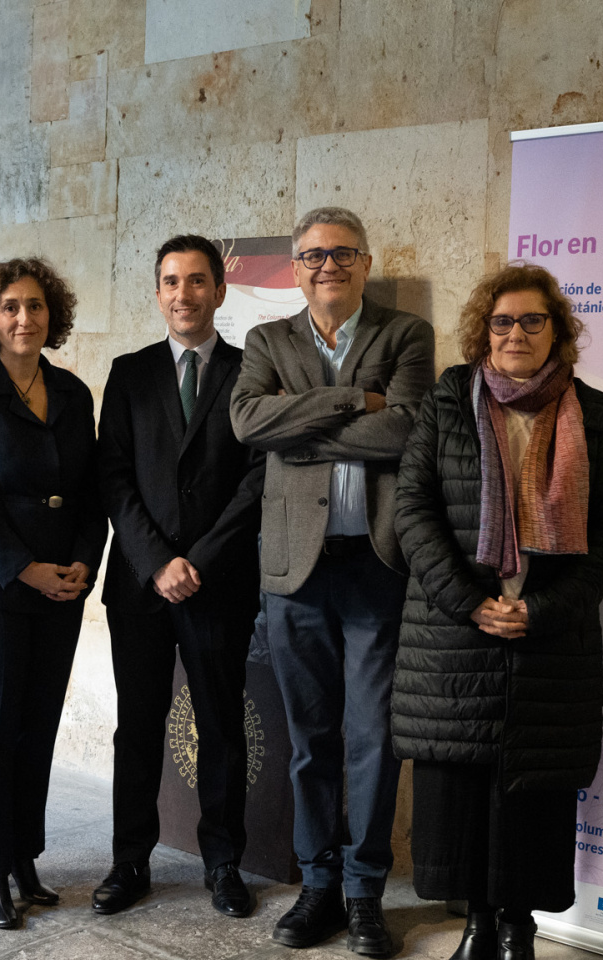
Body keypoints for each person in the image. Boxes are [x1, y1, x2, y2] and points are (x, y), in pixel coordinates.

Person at [391, 262, 603, 960]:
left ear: (555, 330)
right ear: (483, 332)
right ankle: (475, 922)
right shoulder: (447, 400)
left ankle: (518, 924)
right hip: (454, 630)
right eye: (503, 322)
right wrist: (471, 603)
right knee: (462, 784)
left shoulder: (589, 412)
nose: (516, 333)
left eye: (532, 320)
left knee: (534, 787)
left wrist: (545, 609)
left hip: (549, 635)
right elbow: (414, 510)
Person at [229, 206, 435, 956]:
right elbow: (251, 422)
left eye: (342, 253)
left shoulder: (405, 335)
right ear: (297, 267)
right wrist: (355, 400)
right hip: (294, 570)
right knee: (312, 738)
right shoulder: (265, 339)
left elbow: (408, 429)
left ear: (365, 261)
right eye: (313, 256)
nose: (328, 266)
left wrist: (303, 425)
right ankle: (317, 885)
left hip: (375, 566)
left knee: (373, 739)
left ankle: (364, 893)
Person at [92, 235, 266, 919]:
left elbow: (258, 479)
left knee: (221, 726)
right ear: (157, 292)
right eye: (171, 282)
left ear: (220, 292)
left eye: (197, 281)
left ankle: (223, 862)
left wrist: (202, 558)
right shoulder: (128, 372)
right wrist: (158, 560)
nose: (183, 294)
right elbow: (113, 477)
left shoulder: (253, 371)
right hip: (140, 584)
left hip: (217, 583)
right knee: (136, 725)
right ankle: (129, 859)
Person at [0, 257, 106, 930]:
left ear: (51, 315)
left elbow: (93, 494)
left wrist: (82, 565)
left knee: (36, 728)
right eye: (10, 308)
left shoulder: (72, 393)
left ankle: (23, 860)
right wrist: (25, 567)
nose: (24, 319)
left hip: (60, 589)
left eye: (35, 306)